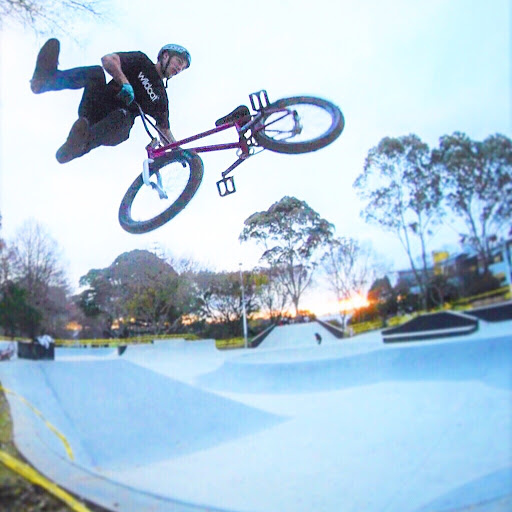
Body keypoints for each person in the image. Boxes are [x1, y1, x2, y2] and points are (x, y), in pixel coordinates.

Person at [30, 39, 191, 164]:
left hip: (117, 126)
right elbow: (108, 59)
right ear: (165, 56)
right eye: (178, 62)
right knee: (96, 72)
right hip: (96, 107)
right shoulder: (141, 61)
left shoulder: (160, 97)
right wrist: (124, 82)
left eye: (182, 68)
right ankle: (45, 80)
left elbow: (164, 131)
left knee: (123, 115)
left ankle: (78, 145)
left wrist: (181, 152)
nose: (179, 69)